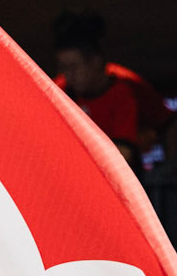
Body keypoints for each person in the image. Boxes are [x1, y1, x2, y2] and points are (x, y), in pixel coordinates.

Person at [50, 11, 168, 165]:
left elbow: (123, 154)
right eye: (63, 68)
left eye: (74, 67)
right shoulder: (57, 91)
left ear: (95, 62)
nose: (68, 75)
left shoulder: (121, 95)